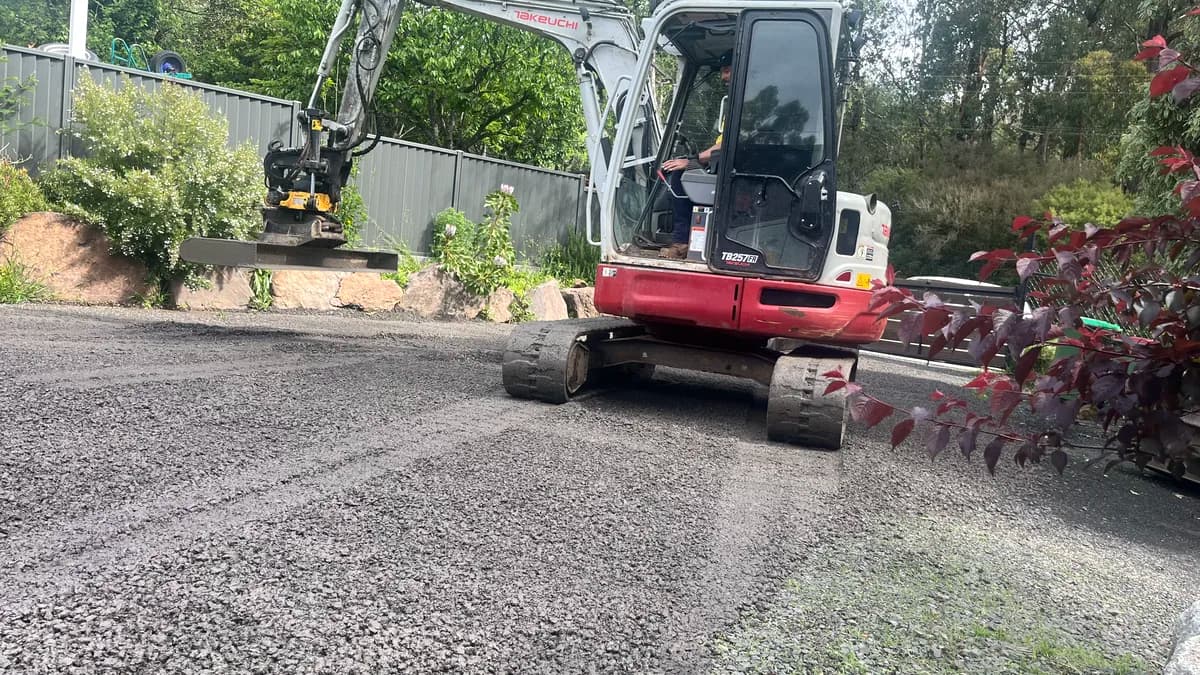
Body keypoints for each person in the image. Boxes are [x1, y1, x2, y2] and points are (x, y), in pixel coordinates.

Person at [658, 50, 733, 259]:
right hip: (722, 163)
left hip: (728, 168)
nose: (723, 77)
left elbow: (726, 147)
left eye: (727, 71)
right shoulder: (737, 103)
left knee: (680, 177)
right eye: (722, 72)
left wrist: (692, 160)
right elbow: (722, 144)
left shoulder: (745, 104)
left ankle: (682, 241)